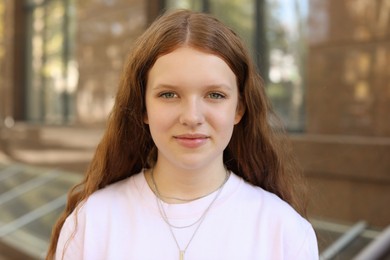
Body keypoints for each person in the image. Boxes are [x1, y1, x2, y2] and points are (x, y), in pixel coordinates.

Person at [47, 9, 318, 260]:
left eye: (215, 95)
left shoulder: (284, 230)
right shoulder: (92, 222)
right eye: (168, 94)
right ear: (143, 107)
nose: (191, 117)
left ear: (239, 109)